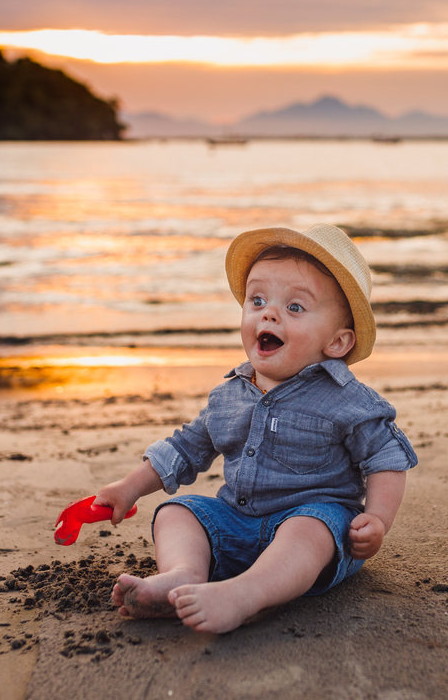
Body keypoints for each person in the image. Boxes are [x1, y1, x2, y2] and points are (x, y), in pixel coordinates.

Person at [91, 223, 417, 633]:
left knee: (308, 529)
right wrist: (129, 487)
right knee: (178, 512)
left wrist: (378, 519)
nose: (269, 313)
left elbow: (386, 457)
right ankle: (184, 573)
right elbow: (185, 448)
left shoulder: (348, 401)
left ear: (337, 343)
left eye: (295, 307)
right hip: (238, 524)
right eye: (257, 300)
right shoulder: (229, 396)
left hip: (318, 533)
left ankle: (247, 594)